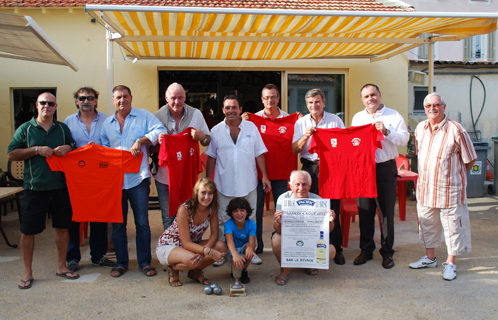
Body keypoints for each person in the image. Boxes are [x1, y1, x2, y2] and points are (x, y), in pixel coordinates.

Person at [8, 92, 78, 289]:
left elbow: (73, 149)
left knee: (63, 228)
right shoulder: (26, 129)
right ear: (36, 106)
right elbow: (12, 154)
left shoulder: (62, 128)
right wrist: (36, 150)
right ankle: (28, 272)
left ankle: (62, 266)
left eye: (50, 103)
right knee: (28, 232)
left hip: (60, 188)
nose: (46, 106)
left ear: (56, 107)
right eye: (42, 103)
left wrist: (68, 149)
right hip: (34, 188)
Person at [409, 93, 476, 281]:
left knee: (453, 228)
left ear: (444, 107)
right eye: (428, 105)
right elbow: (419, 153)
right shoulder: (420, 128)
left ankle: (451, 263)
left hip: (450, 190)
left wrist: (454, 175)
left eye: (436, 105)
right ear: (424, 109)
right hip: (426, 188)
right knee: (427, 225)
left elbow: (470, 159)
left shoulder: (456, 130)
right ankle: (430, 258)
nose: (432, 108)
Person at [101, 85, 166, 278]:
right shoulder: (107, 124)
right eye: (118, 97)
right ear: (113, 100)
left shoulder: (143, 116)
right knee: (118, 225)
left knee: (142, 223)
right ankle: (121, 263)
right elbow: (104, 148)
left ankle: (145, 263)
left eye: (125, 96)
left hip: (138, 178)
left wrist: (142, 140)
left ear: (131, 97)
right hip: (116, 181)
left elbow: (160, 130)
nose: (122, 100)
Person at [205, 95, 271, 266]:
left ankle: (251, 251)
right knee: (222, 219)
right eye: (227, 108)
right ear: (223, 110)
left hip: (248, 183)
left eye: (234, 107)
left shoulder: (252, 128)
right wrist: (208, 180)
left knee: (251, 219)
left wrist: (264, 175)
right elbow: (211, 157)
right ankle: (222, 253)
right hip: (223, 184)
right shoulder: (216, 131)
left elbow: (259, 153)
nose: (231, 111)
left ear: (240, 109)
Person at [351, 84, 409, 269]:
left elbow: (404, 139)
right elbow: (353, 142)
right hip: (364, 170)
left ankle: (387, 253)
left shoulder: (393, 115)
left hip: (385, 169)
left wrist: (386, 131)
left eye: (373, 95)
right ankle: (366, 250)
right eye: (366, 96)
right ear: (362, 99)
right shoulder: (358, 118)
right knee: (365, 212)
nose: (371, 99)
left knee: (385, 213)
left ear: (380, 95)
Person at [241, 84, 301, 261]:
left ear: (278, 98)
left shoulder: (291, 119)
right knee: (255, 210)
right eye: (266, 97)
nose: (270, 100)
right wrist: (243, 120)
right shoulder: (252, 120)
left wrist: (302, 119)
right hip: (259, 173)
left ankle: (282, 242)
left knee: (284, 210)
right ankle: (257, 244)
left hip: (283, 172)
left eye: (273, 97)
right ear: (262, 99)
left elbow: (302, 135)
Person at [292, 88, 346, 265]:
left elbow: (345, 143)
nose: (314, 105)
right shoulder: (301, 123)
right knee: (310, 209)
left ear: (324, 102)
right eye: (310, 103)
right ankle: (310, 248)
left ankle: (336, 249)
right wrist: (305, 136)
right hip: (309, 168)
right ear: (306, 105)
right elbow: (294, 149)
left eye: (317, 101)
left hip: (331, 169)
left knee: (332, 209)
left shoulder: (335, 120)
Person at [63, 87, 114, 272]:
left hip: (100, 176)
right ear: (77, 101)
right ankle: (72, 258)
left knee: (99, 217)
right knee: (74, 218)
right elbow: (66, 146)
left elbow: (111, 144)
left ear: (96, 101)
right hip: (77, 178)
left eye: (90, 98)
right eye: (82, 98)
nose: (86, 101)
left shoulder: (107, 120)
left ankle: (98, 256)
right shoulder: (68, 121)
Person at [152, 82, 211, 230]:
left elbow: (207, 140)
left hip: (187, 176)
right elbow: (149, 149)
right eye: (173, 98)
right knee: (168, 217)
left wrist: (201, 136)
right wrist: (159, 143)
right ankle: (171, 251)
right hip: (165, 177)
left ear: (185, 98)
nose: (176, 102)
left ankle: (189, 248)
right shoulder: (156, 117)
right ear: (166, 98)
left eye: (180, 97)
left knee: (189, 215)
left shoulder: (195, 114)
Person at [156, 178, 227, 287]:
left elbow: (214, 234)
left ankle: (194, 272)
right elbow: (186, 243)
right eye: (203, 193)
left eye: (210, 193)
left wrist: (205, 251)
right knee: (192, 261)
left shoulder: (212, 209)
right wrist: (208, 252)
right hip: (169, 245)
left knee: (221, 246)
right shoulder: (184, 210)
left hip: (190, 247)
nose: (207, 197)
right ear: (196, 192)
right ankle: (173, 268)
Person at [272, 170, 336, 285]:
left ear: (310, 186)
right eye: (297, 184)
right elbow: (278, 230)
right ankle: (284, 270)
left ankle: (310, 264)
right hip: (290, 235)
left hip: (311, 236)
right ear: (291, 186)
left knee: (331, 251)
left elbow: (328, 231)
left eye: (304, 184)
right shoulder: (283, 199)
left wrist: (330, 222)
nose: (301, 188)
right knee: (276, 239)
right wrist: (279, 222)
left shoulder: (319, 201)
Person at [224, 197, 257, 284]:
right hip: (231, 250)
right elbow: (229, 240)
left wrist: (250, 248)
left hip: (243, 249)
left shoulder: (252, 224)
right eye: (235, 211)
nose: (239, 214)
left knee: (250, 249)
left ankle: (244, 270)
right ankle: (234, 269)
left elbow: (252, 243)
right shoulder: (228, 224)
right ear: (231, 213)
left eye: (242, 210)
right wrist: (235, 254)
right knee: (222, 245)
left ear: (247, 212)